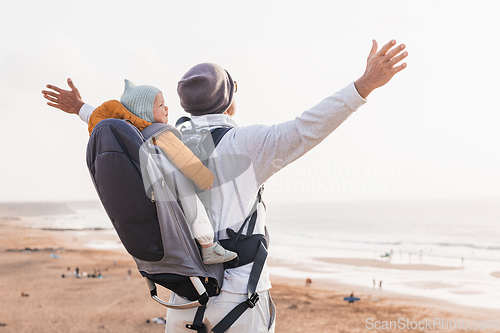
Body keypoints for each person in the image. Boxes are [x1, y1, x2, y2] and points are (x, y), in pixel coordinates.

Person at [42, 39, 408, 332]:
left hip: (182, 298)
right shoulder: (249, 144)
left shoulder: (155, 140)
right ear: (229, 100)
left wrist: (81, 108)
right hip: (240, 299)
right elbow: (307, 127)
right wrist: (363, 86)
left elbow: (122, 125)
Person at [86, 79, 237, 265]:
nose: (167, 108)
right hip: (175, 193)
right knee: (197, 211)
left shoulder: (130, 138)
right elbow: (184, 157)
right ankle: (208, 247)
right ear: (145, 112)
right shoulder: (160, 133)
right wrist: (204, 177)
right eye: (160, 105)